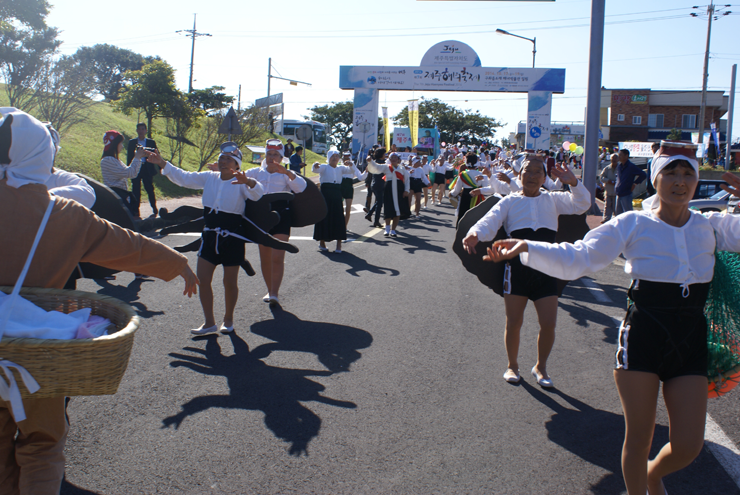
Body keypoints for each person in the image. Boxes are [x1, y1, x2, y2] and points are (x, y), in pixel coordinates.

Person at [484, 140, 740, 495]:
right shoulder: (632, 223)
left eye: (687, 174)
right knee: (639, 438)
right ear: (655, 179)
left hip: (690, 339)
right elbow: (581, 256)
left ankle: (653, 476)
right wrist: (527, 246)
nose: (680, 181)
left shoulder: (712, 226)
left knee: (688, 445)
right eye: (671, 173)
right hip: (644, 335)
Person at [0, 107, 198, 495]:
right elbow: (129, 246)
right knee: (42, 445)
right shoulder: (64, 215)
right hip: (35, 354)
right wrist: (177, 263)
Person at [462, 155, 590, 387]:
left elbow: (582, 204)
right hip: (516, 269)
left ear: (544, 177)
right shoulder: (509, 201)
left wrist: (574, 183)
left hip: (547, 269)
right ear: (518, 175)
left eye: (537, 172)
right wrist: (475, 233)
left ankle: (541, 367)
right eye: (527, 172)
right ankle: (512, 365)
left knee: (549, 323)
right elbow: (490, 221)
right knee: (514, 321)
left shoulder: (553, 199)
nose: (531, 177)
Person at [151, 142, 264, 334]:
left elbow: (258, 194)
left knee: (229, 282)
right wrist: (162, 163)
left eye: (229, 159)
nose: (223, 161)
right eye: (221, 158)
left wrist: (249, 182)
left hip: (232, 238)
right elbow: (184, 178)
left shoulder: (242, 182)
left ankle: (228, 319)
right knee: (202, 279)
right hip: (210, 235)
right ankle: (209, 322)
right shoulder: (209, 177)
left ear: (237, 165)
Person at [242, 139, 306, 306]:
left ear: (281, 156)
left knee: (277, 256)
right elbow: (238, 180)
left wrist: (287, 173)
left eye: (275, 155)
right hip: (260, 217)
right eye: (269, 154)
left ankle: (275, 294)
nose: (272, 158)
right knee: (265, 257)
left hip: (281, 215)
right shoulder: (256, 172)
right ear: (265, 155)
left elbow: (301, 187)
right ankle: (269, 290)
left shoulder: (286, 173)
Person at [100, 130, 146, 217]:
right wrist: (137, 157)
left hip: (120, 197)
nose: (122, 146)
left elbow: (131, 172)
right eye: (120, 143)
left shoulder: (114, 160)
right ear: (114, 144)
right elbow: (131, 173)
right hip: (116, 199)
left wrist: (138, 157)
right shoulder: (108, 160)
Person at [313, 151, 350, 252]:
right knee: (323, 216)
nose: (334, 158)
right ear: (328, 158)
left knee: (338, 217)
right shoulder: (324, 167)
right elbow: (315, 169)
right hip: (325, 194)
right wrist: (315, 164)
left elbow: (351, 170)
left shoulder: (341, 168)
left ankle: (339, 245)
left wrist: (350, 164)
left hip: (337, 193)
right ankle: (322, 243)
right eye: (332, 156)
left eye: (337, 156)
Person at [127, 123, 158, 218]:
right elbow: (129, 157)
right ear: (137, 130)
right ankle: (135, 211)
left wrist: (161, 168)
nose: (141, 131)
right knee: (135, 190)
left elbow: (157, 155)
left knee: (149, 189)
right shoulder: (132, 142)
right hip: (136, 167)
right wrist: (129, 169)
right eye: (139, 129)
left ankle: (154, 208)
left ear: (146, 130)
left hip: (147, 168)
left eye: (142, 129)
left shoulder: (151, 142)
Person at [379, 152, 410, 237]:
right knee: (388, 208)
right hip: (388, 189)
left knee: (398, 210)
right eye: (391, 158)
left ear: (398, 159)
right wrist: (371, 162)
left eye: (395, 157)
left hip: (399, 189)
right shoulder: (386, 167)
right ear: (389, 159)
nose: (393, 159)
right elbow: (377, 167)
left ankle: (393, 230)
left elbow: (407, 180)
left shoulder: (402, 168)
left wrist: (406, 190)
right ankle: (387, 229)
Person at [615, 149, 647, 215]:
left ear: (626, 156)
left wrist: (635, 183)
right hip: (618, 193)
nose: (619, 156)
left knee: (628, 214)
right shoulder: (619, 166)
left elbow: (643, 174)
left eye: (621, 155)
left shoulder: (631, 166)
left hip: (626, 193)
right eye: (619, 155)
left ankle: (629, 225)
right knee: (618, 214)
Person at [340, 150, 367, 228]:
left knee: (348, 209)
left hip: (348, 187)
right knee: (339, 209)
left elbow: (361, 177)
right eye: (344, 157)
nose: (346, 159)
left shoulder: (353, 166)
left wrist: (366, 171)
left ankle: (344, 227)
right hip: (340, 187)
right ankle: (339, 225)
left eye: (348, 157)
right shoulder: (339, 166)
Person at [364, 148, 387, 228]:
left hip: (374, 183)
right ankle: (376, 221)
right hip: (380, 184)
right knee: (380, 203)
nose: (385, 155)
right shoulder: (382, 163)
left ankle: (370, 215)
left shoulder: (374, 163)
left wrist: (367, 182)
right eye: (384, 154)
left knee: (379, 202)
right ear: (381, 155)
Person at [599, 153, 619, 223]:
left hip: (617, 192)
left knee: (616, 207)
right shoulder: (607, 168)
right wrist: (608, 181)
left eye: (615, 158)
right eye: (613, 158)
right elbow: (601, 178)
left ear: (618, 159)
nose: (614, 160)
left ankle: (616, 220)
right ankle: (606, 219)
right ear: (610, 159)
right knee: (607, 206)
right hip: (608, 191)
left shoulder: (620, 168)